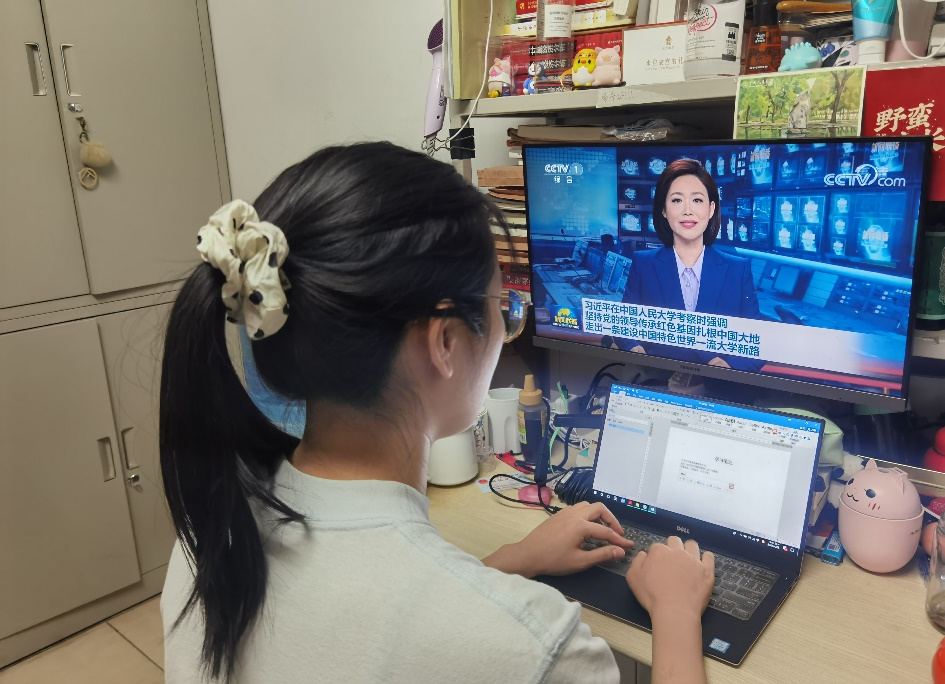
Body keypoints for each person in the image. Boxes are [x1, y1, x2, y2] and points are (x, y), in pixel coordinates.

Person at [159, 143, 715, 683]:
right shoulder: (536, 647)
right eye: (504, 306)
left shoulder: (208, 543)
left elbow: (372, 635)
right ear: (444, 342)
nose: (506, 325)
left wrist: (512, 559)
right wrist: (675, 612)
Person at [619, 159, 763, 372]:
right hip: (656, 381)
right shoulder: (644, 264)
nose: (688, 210)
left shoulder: (737, 269)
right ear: (664, 210)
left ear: (711, 208)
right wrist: (632, 347)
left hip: (718, 385)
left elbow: (757, 340)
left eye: (697, 200)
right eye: (677, 200)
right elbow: (623, 326)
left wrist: (730, 366)